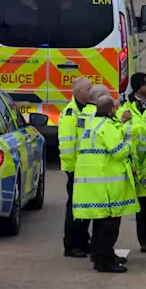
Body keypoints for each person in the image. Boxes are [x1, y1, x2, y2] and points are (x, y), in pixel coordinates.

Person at [73, 92, 138, 274]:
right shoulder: (107, 127)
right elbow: (118, 151)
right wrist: (128, 141)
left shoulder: (92, 124)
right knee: (109, 227)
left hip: (93, 185)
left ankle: (103, 255)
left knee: (100, 225)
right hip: (107, 186)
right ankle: (105, 261)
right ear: (112, 109)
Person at [59, 77, 97, 258]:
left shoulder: (88, 109)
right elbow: (67, 145)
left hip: (85, 168)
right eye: (88, 89)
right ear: (78, 92)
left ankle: (83, 241)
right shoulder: (70, 113)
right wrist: (73, 169)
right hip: (76, 169)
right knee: (74, 208)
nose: (92, 91)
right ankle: (72, 244)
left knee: (84, 207)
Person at [119, 72, 146, 253]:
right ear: (137, 88)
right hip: (138, 167)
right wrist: (122, 121)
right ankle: (145, 241)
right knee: (142, 211)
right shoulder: (125, 108)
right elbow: (118, 130)